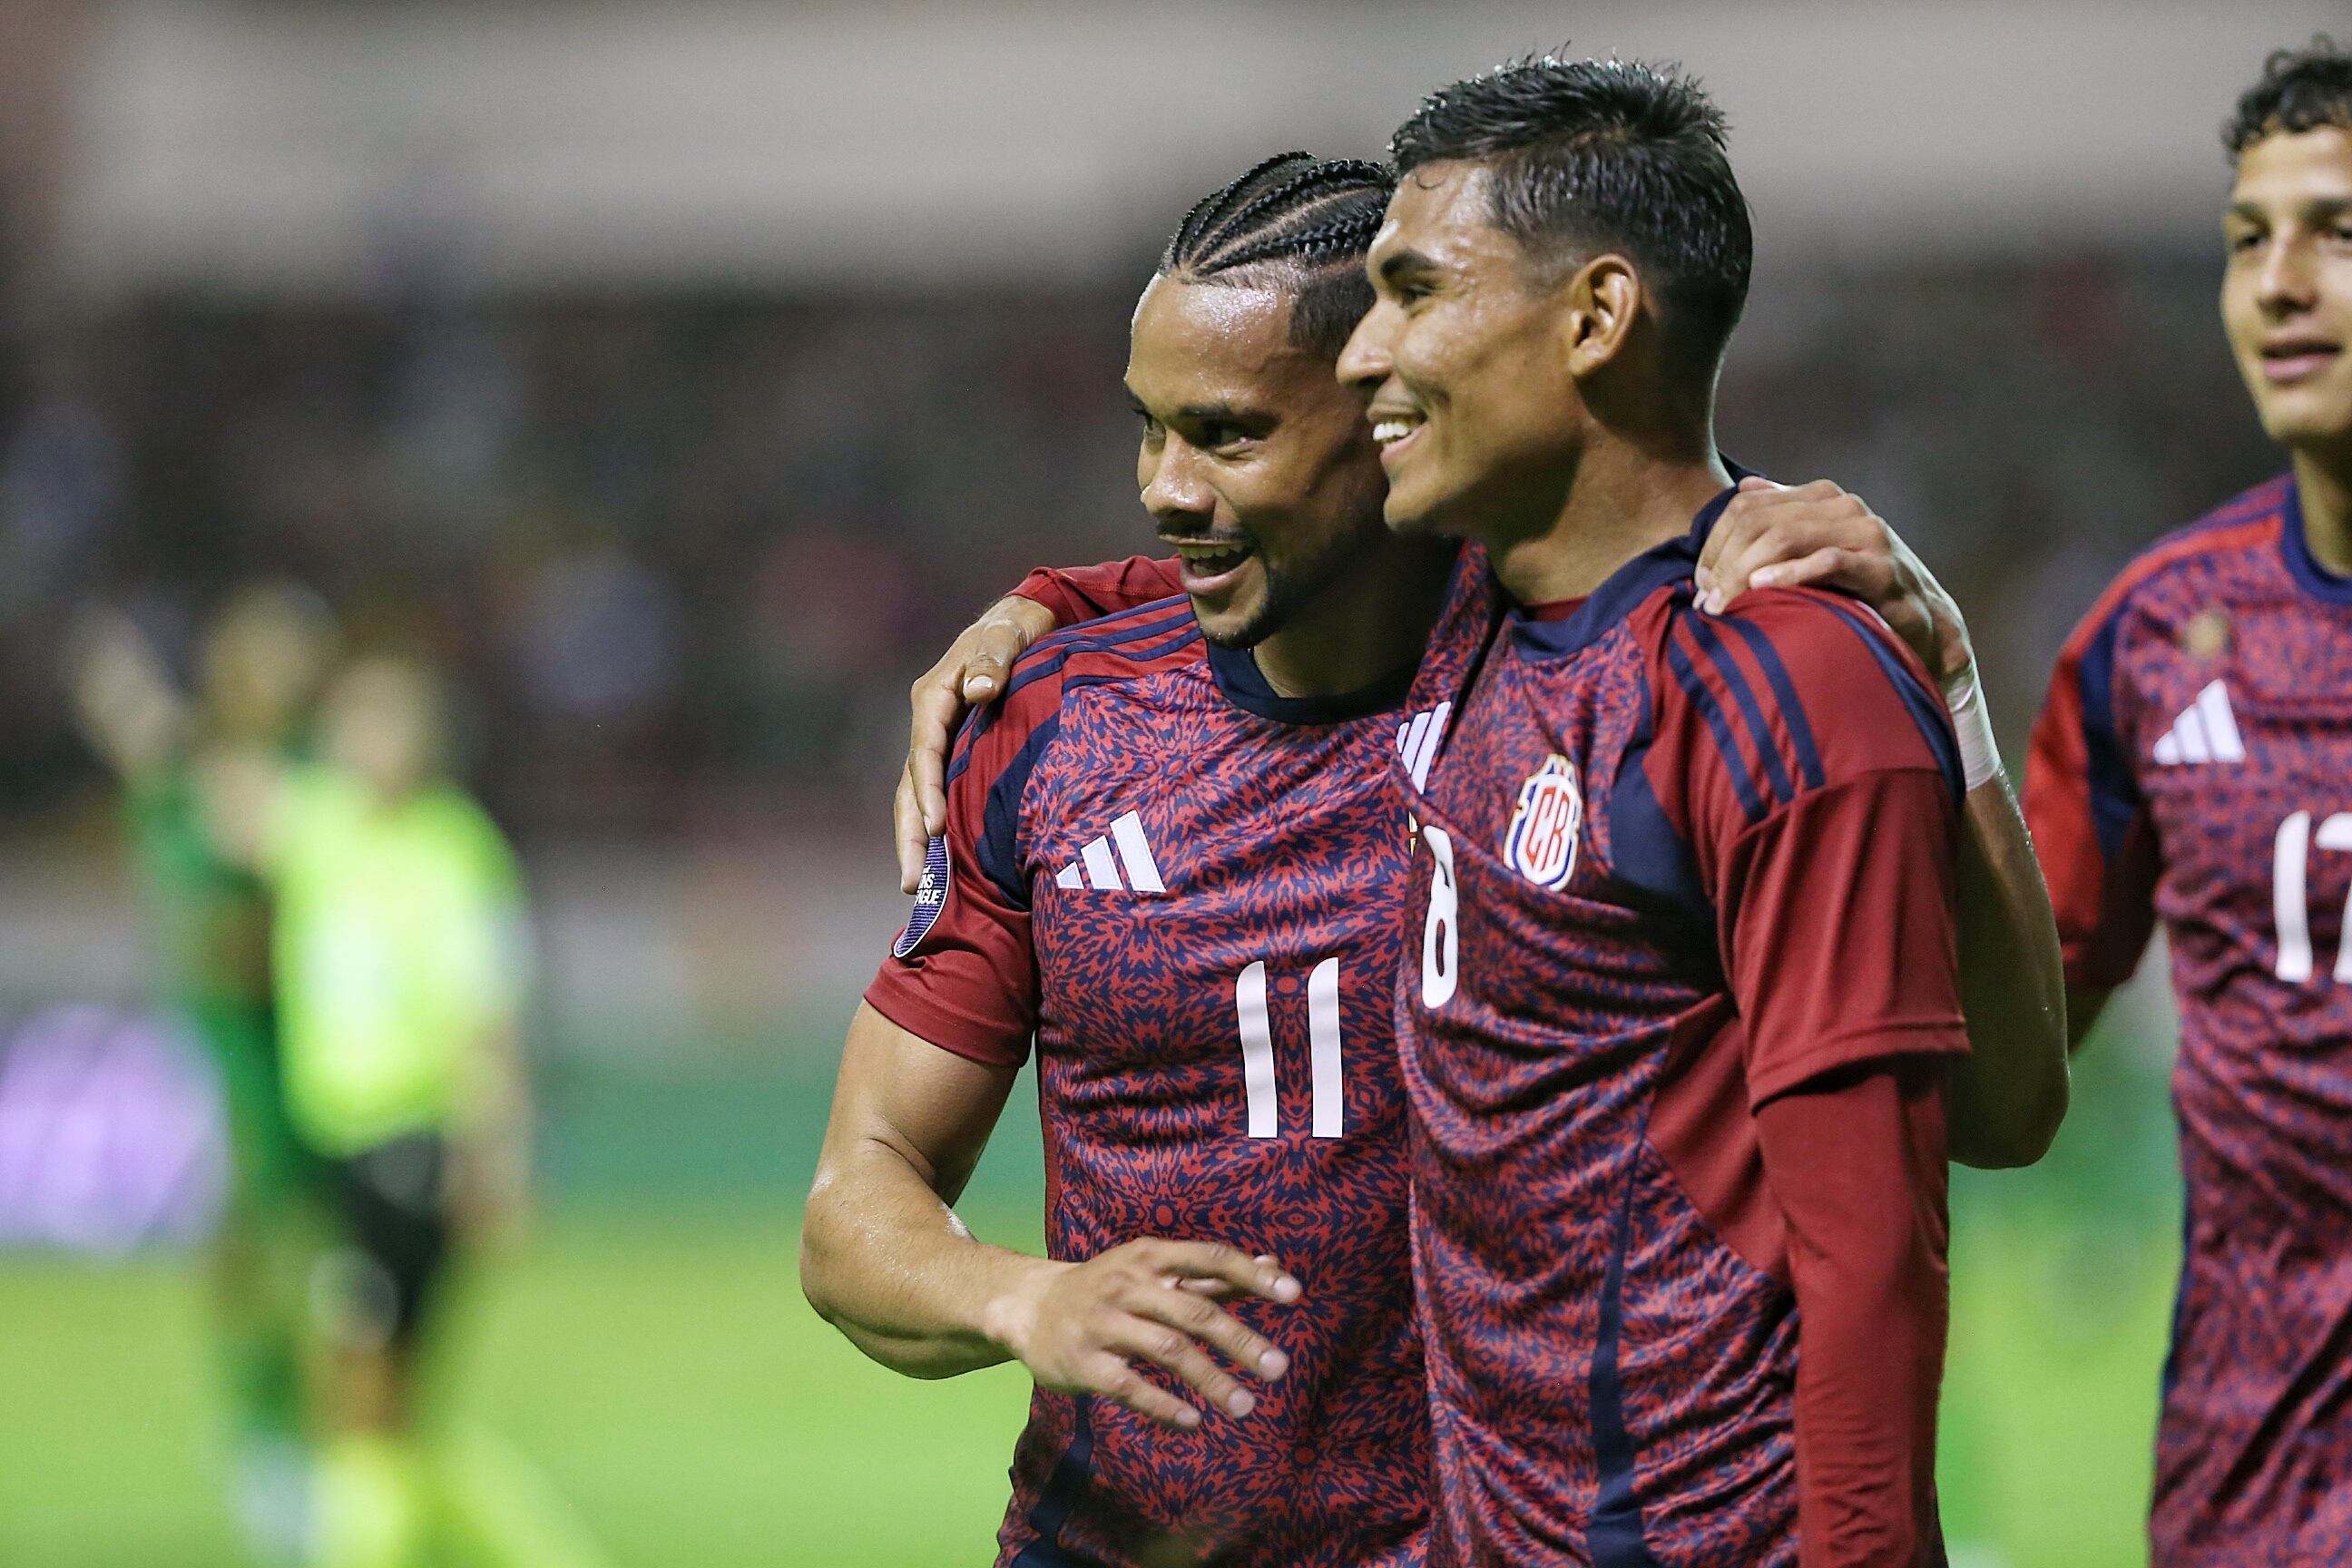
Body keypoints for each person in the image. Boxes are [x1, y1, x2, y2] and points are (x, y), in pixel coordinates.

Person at [1328, 57, 1982, 1564]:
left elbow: (1875, 1262)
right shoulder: (1465, 616)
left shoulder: (1775, 680)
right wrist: (1036, 618)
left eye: (1414, 291)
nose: (1364, 355)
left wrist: (1948, 682)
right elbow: (1219, 574)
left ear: (1596, 316)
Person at [2024, 39, 2352, 1564]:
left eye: (2335, 231)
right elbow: (1997, 1066)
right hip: (2252, 1503)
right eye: (2246, 239)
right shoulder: (2152, 637)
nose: (2278, 284)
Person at [213, 651, 573, 1568]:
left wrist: (498, 1155)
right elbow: (219, 800)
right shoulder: (322, 823)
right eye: (354, 722)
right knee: (386, 1399)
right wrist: (247, 687)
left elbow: (487, 1019)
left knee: (365, 1385)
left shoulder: (452, 849)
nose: (367, 743)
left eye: (387, 724)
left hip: (413, 1148)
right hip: (335, 1144)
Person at [65, 583, 337, 1564]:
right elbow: (128, 714)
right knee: (243, 1259)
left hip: (316, 1052)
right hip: (221, 1055)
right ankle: (267, 1440)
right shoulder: (190, 775)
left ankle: (329, 1444)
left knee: (324, 1267)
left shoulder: (314, 782)